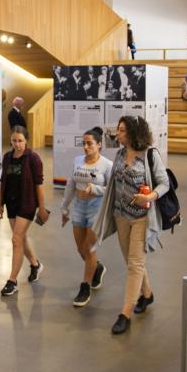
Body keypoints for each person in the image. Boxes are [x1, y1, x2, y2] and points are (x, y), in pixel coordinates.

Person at [93, 115, 170, 335]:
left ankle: (125, 313)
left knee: (135, 264)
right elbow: (112, 185)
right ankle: (147, 294)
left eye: (122, 131)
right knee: (130, 261)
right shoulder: (118, 154)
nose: (117, 134)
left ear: (134, 132)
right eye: (118, 130)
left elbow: (164, 183)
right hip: (120, 215)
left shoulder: (149, 155)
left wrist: (150, 197)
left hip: (141, 218)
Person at [61, 127, 113, 307]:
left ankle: (85, 287)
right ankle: (97, 267)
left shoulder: (107, 165)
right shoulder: (77, 161)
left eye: (90, 143)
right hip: (79, 206)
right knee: (80, 250)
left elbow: (112, 190)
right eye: (83, 143)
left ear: (99, 144)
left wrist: (96, 189)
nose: (85, 147)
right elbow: (70, 185)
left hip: (96, 208)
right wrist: (64, 208)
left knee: (88, 248)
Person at [0, 126, 50, 296]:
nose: (17, 144)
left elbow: (39, 185)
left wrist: (41, 208)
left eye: (20, 140)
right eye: (14, 140)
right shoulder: (7, 158)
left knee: (16, 239)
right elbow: (3, 181)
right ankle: (35, 264)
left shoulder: (33, 159)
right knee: (20, 239)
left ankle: (12, 281)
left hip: (27, 203)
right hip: (11, 203)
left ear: (26, 140)